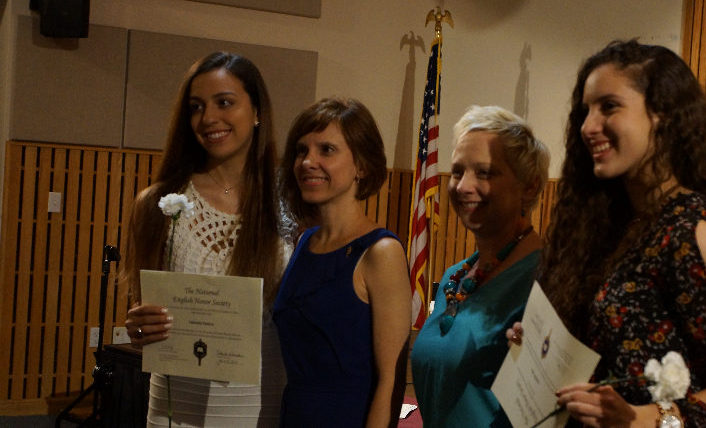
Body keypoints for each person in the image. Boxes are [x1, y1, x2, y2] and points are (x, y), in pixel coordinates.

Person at [511, 39, 706, 428]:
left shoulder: (689, 229)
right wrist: (540, 352)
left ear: (662, 114)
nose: (588, 126)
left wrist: (646, 417)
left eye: (609, 106)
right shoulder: (610, 226)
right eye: (585, 111)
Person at [122, 52, 290, 428]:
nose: (208, 118)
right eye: (196, 107)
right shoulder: (158, 203)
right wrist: (140, 327)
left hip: (263, 406)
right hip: (177, 406)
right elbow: (145, 310)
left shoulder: (292, 203)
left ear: (257, 111)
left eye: (224, 102)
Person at [273, 97, 411, 428]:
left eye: (326, 150)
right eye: (302, 150)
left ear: (361, 165)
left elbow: (390, 383)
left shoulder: (381, 251)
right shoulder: (304, 242)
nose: (308, 162)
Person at [411, 105, 551, 427]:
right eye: (457, 171)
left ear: (529, 186)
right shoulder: (454, 277)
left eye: (484, 172)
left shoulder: (548, 279)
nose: (463, 186)